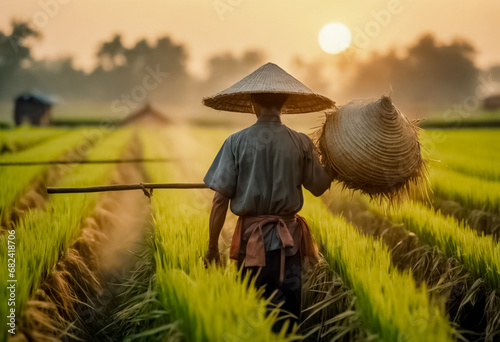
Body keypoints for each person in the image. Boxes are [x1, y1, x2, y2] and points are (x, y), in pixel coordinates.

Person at [202, 62, 335, 333]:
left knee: (252, 319)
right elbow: (319, 186)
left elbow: (219, 200)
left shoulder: (235, 142)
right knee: (286, 323)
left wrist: (213, 247)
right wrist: (335, 161)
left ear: (253, 102)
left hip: (253, 246)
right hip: (290, 246)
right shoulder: (301, 142)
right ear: (284, 103)